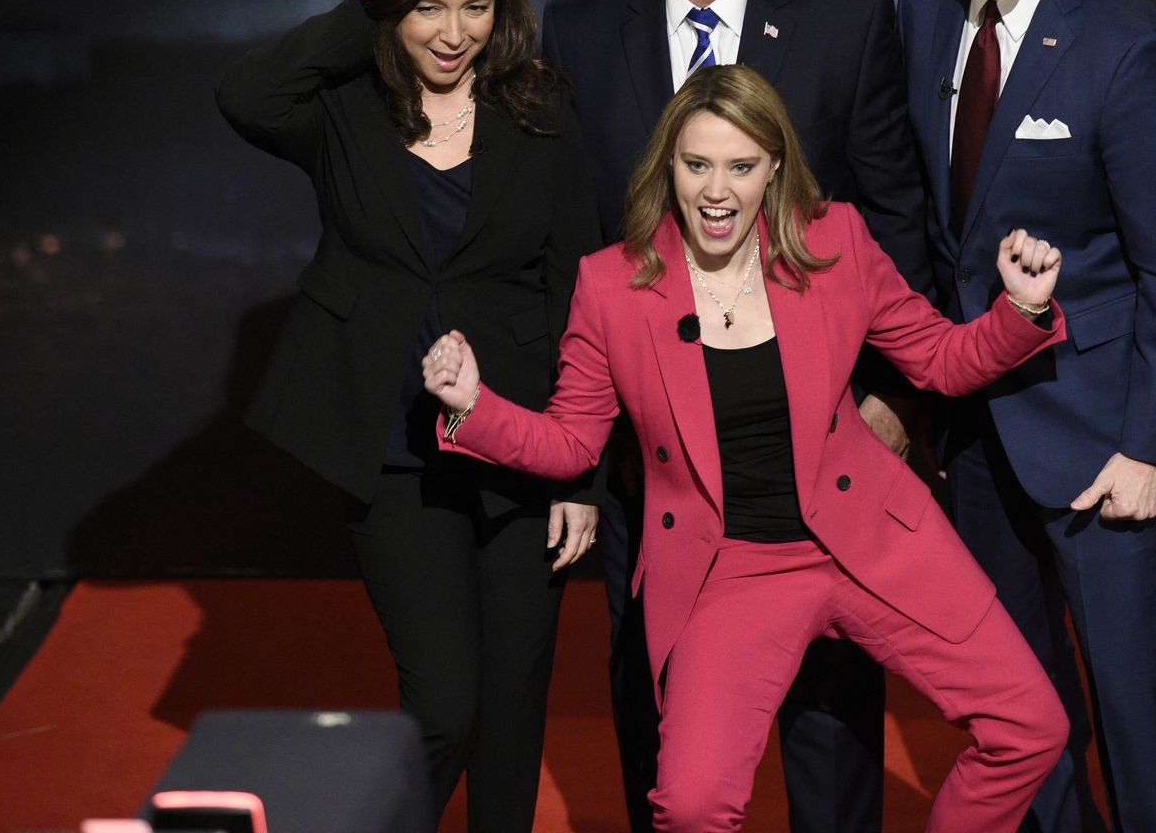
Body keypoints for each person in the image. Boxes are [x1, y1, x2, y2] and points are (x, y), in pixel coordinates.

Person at [422, 64, 1069, 832]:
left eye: (740, 166)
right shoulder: (611, 286)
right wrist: (474, 408)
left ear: (775, 169)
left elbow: (939, 359)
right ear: (670, 167)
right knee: (691, 808)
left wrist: (1020, 311)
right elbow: (570, 444)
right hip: (730, 572)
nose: (716, 190)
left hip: (870, 542)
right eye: (697, 165)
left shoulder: (836, 243)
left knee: (1031, 726)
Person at [538, 0, 930, 831]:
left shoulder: (848, 19)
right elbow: (568, 248)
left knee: (828, 709)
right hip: (648, 450)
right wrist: (577, 460)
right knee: (657, 709)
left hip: (814, 438)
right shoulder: (579, 27)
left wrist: (892, 398)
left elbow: (894, 216)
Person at [215, 0, 601, 832]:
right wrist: (360, 15)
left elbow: (574, 289)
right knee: (446, 708)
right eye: (427, 6)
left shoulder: (539, 105)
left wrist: (578, 466)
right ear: (386, 5)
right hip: (391, 449)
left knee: (512, 713)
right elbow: (245, 95)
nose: (454, 32)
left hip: (520, 441)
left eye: (474, 6)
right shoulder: (342, 110)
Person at [896, 0, 1156, 833]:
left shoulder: (1128, 48)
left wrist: (1150, 447)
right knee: (1024, 707)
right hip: (975, 424)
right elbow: (921, 208)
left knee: (1131, 702)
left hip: (1099, 439)